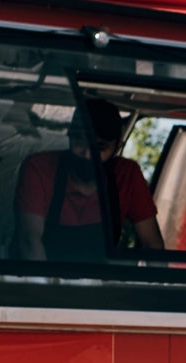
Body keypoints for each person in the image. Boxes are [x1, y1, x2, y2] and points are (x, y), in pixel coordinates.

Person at [15, 97, 163, 260]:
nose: (87, 154)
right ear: (70, 136)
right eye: (80, 142)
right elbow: (30, 240)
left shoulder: (127, 174)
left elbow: (153, 245)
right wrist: (45, 284)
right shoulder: (39, 168)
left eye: (100, 148)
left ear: (117, 148)